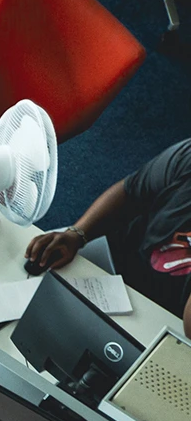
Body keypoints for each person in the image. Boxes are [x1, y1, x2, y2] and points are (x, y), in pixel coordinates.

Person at [24, 140, 191, 334]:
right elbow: (131, 190)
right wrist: (77, 234)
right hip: (114, 260)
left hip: (166, 320)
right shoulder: (187, 157)